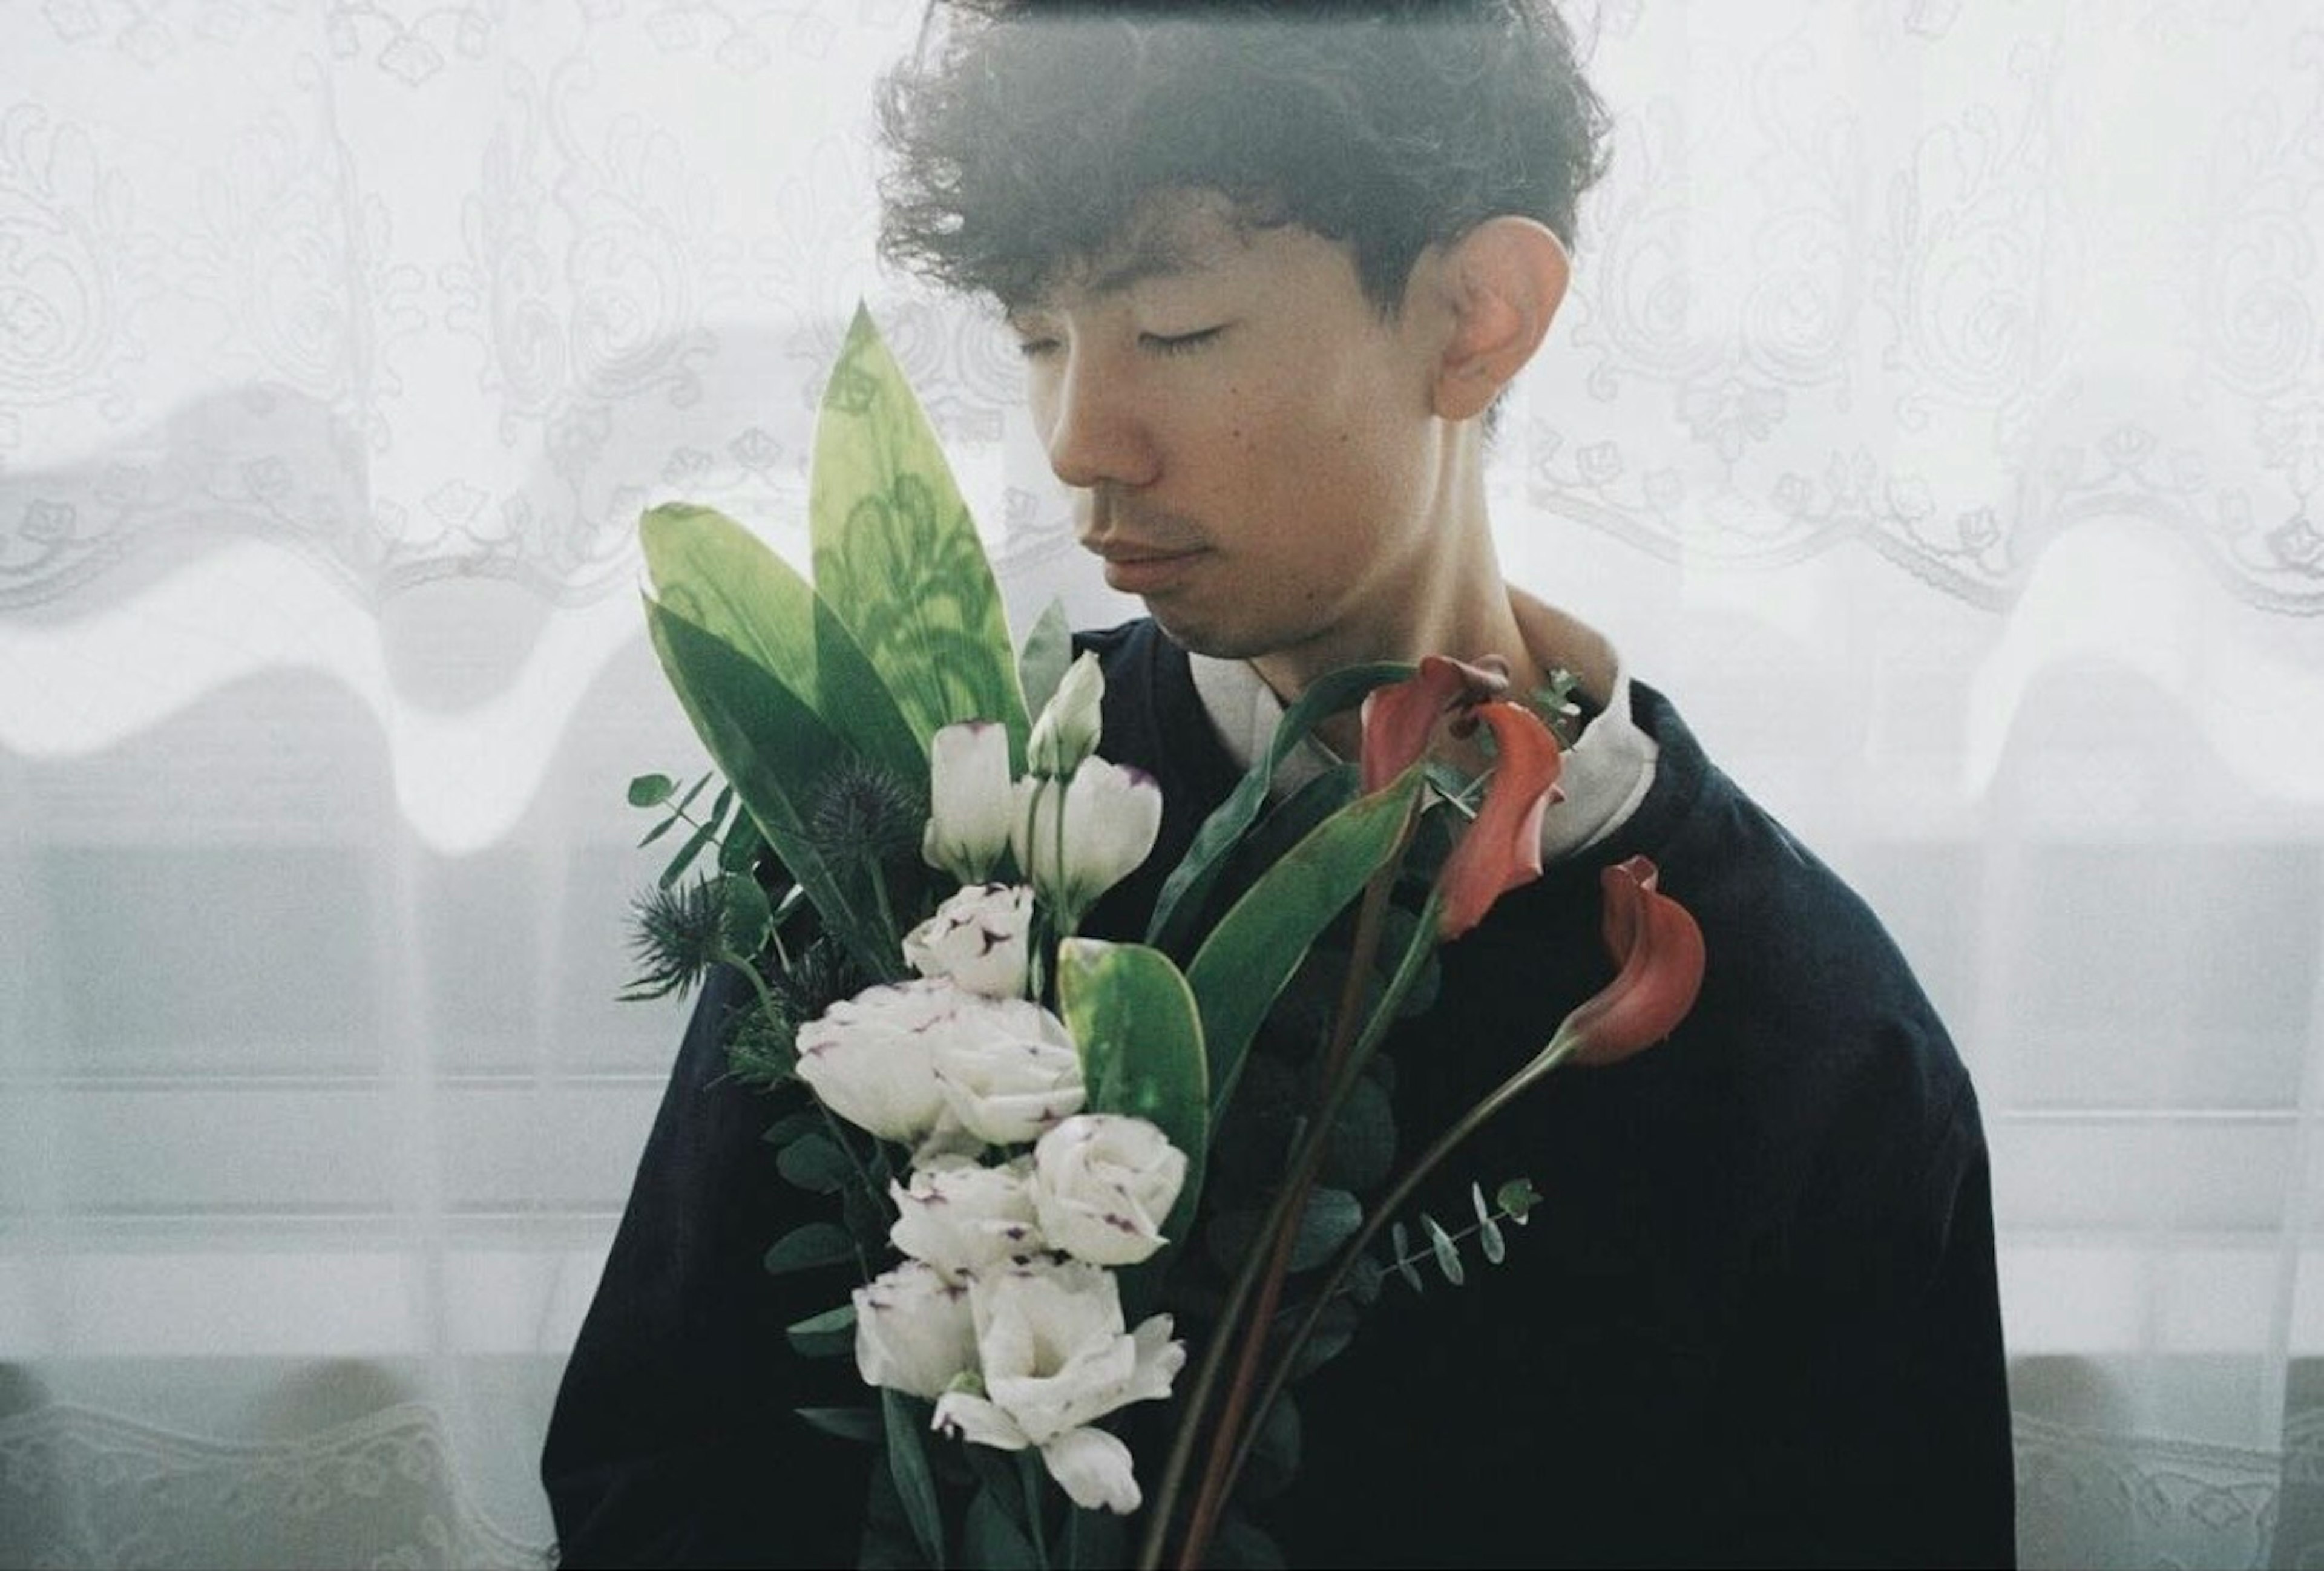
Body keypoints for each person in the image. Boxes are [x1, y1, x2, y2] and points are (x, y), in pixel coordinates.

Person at [543, 2, 2017, 1565]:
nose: (1075, 434)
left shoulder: (1804, 1034)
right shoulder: (928, 843)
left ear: (1477, 317)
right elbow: (663, 1470)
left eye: (1174, 329)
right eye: (1037, 337)